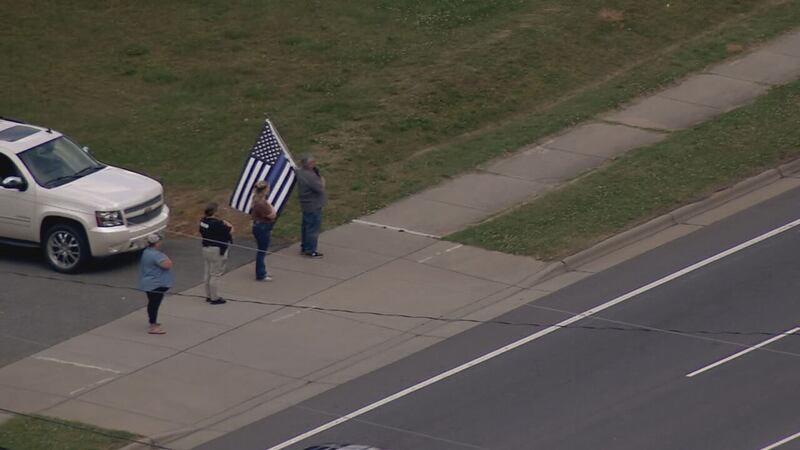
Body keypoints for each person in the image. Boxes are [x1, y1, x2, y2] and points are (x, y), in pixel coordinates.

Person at [138, 234, 173, 335]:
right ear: (156, 243)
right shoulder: (156, 255)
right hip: (156, 284)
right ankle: (153, 326)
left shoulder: (146, 252)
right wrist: (165, 256)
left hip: (148, 283)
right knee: (154, 304)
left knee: (152, 303)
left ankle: (153, 321)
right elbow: (167, 264)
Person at [199, 202, 233, 305]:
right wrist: (227, 224)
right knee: (215, 274)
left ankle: (208, 295)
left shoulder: (203, 222)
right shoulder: (218, 224)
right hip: (216, 250)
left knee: (208, 272)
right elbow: (230, 231)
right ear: (215, 212)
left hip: (206, 248)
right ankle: (215, 298)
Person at [296, 155, 327, 257]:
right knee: (313, 228)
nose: (315, 164)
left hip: (306, 204)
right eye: (313, 162)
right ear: (308, 164)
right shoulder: (310, 176)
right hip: (313, 205)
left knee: (306, 226)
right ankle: (310, 250)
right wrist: (322, 181)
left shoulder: (300, 172)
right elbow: (320, 189)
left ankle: (305, 246)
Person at [251, 180, 277, 281]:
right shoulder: (261, 204)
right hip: (262, 228)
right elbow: (272, 215)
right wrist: (272, 208)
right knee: (261, 252)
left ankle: (262, 270)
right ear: (264, 190)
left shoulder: (258, 200)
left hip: (259, 227)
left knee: (261, 250)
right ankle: (260, 274)